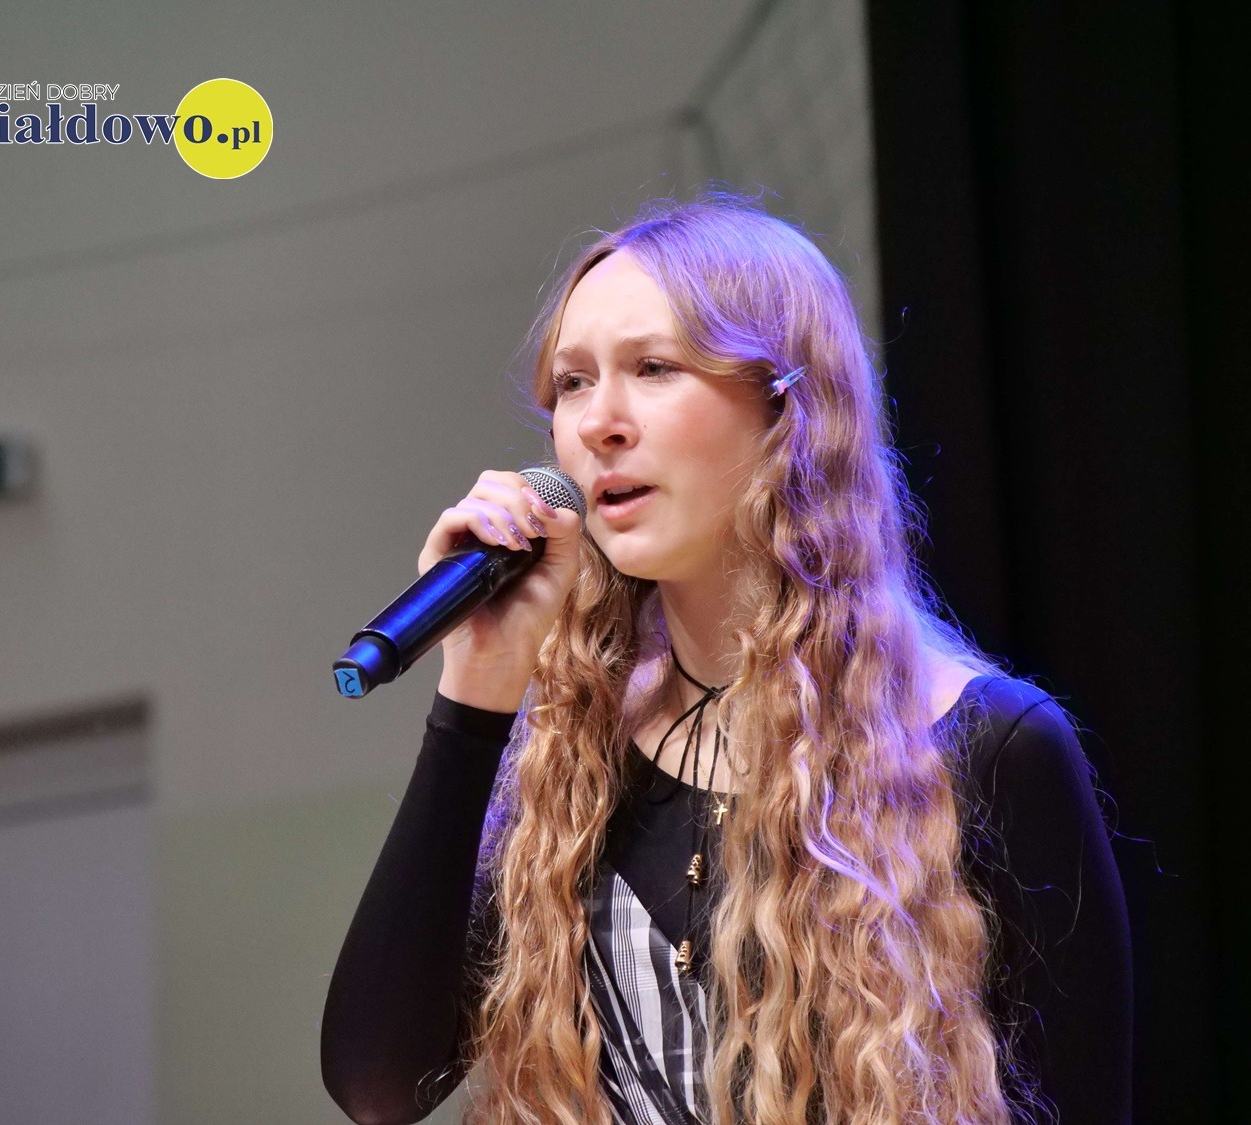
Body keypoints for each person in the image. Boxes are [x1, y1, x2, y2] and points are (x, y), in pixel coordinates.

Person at [320, 195, 1132, 1124]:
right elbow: (377, 1083)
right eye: (574, 382)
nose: (599, 422)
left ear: (787, 405)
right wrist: (478, 684)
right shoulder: (575, 747)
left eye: (654, 368)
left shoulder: (989, 746)